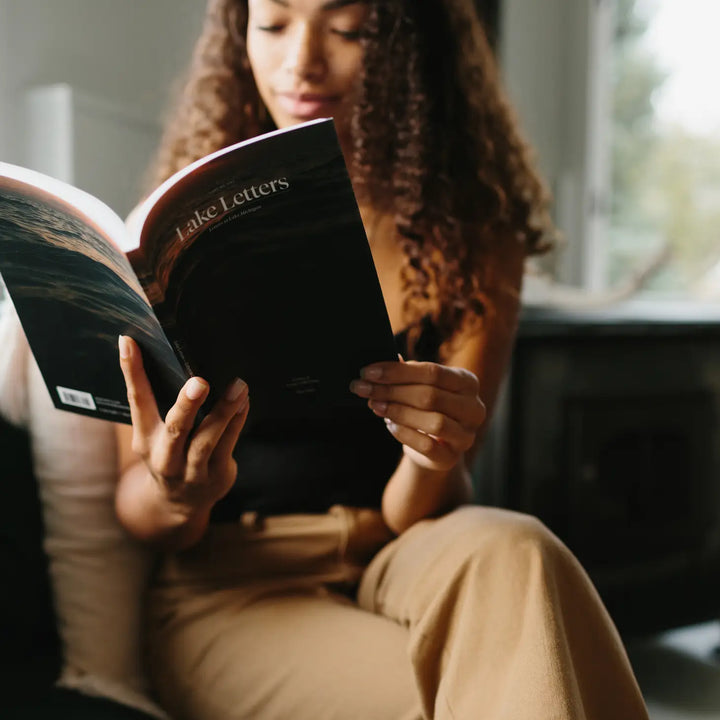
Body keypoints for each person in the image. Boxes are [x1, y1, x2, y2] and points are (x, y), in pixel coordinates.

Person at [115, 1, 650, 718]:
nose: (300, 60)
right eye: (272, 25)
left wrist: (434, 455)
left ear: (410, 49)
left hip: (398, 553)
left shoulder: (474, 237)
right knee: (504, 689)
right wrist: (178, 492)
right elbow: (140, 511)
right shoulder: (184, 235)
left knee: (519, 547)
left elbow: (414, 514)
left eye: (349, 30)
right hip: (237, 587)